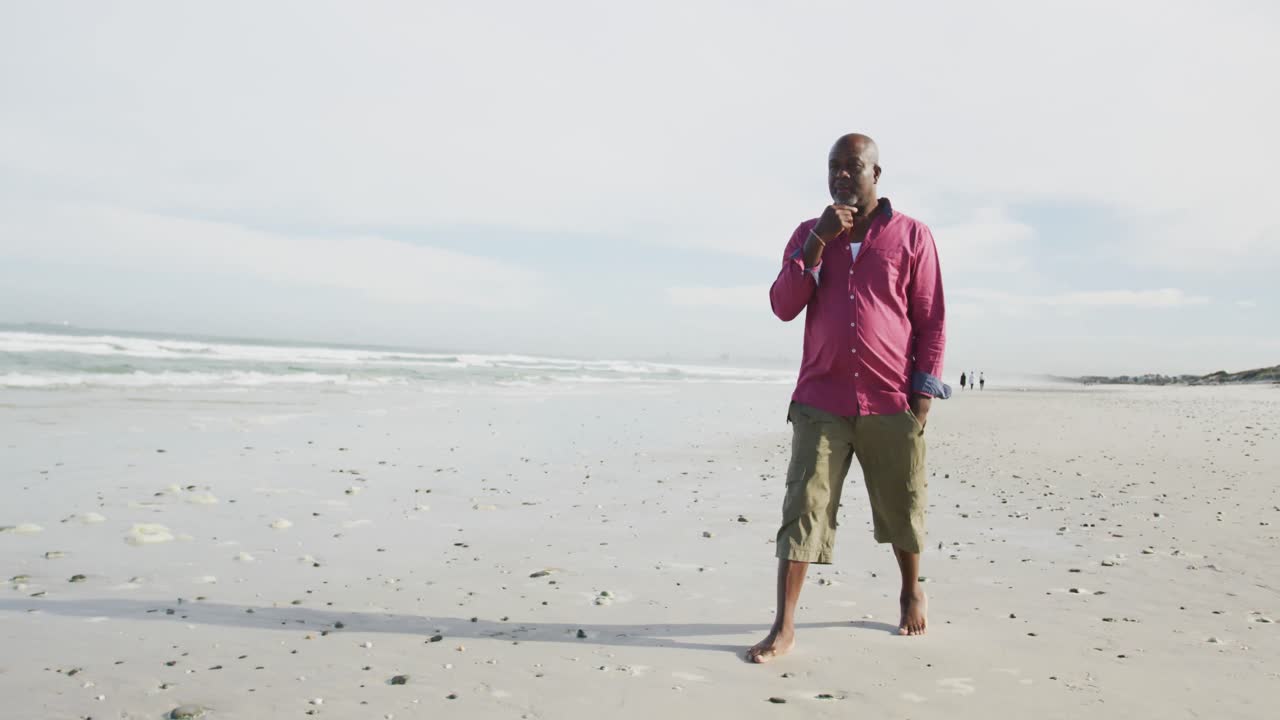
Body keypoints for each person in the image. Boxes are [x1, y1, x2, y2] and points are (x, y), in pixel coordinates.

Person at [752, 133, 950, 663]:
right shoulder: (807, 233)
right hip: (821, 397)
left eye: (853, 166)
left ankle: (910, 590)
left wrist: (922, 394)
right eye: (833, 166)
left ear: (875, 174)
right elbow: (783, 306)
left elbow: (930, 318)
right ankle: (784, 625)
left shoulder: (912, 235)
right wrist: (818, 242)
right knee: (803, 507)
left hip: (890, 398)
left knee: (902, 503)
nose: (841, 174)